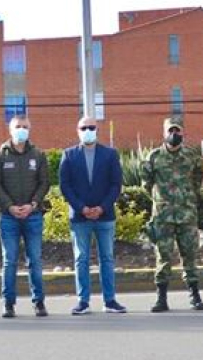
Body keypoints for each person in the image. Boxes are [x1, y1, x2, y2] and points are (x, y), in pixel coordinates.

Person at [139, 117, 203, 313]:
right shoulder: (153, 157)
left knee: (190, 255)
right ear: (164, 133)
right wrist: (161, 199)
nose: (173, 135)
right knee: (163, 256)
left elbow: (198, 178)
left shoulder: (192, 156)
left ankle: (195, 296)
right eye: (170, 131)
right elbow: (147, 184)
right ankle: (161, 298)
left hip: (187, 214)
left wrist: (187, 196)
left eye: (177, 131)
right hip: (163, 216)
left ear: (183, 133)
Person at [59, 115, 125, 315]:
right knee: (81, 259)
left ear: (97, 130)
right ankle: (83, 300)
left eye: (91, 127)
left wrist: (102, 208)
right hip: (80, 218)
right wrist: (82, 208)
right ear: (77, 130)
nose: (88, 130)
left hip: (105, 216)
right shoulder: (69, 155)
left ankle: (110, 300)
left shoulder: (110, 154)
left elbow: (116, 184)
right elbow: (65, 186)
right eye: (84, 127)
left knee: (107, 258)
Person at [0, 113, 49, 319]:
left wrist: (33, 204)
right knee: (10, 261)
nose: (21, 130)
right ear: (10, 129)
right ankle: (8, 304)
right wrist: (10, 206)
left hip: (33, 215)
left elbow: (44, 183)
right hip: (9, 217)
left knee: (35, 261)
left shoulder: (38, 156)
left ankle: (39, 302)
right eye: (18, 126)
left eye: (25, 126)